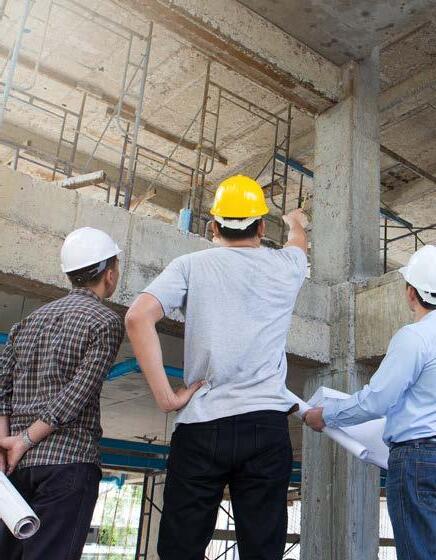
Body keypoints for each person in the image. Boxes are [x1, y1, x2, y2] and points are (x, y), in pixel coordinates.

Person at [126, 175, 308, 560]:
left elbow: (138, 317)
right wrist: (295, 222)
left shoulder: (190, 265)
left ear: (213, 226)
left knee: (180, 549)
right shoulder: (287, 266)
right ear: (261, 227)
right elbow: (298, 244)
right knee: (263, 550)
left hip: (201, 425)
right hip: (265, 426)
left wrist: (166, 398)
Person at [304, 244, 436, 560]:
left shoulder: (414, 338)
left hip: (418, 461)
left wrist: (326, 415)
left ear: (411, 293)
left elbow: (376, 401)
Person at [0, 227, 124, 560]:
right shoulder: (105, 321)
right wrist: (23, 440)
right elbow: (77, 394)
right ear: (110, 275)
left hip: (14, 470)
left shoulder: (27, 322)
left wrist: (7, 444)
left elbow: (1, 388)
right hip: (68, 463)